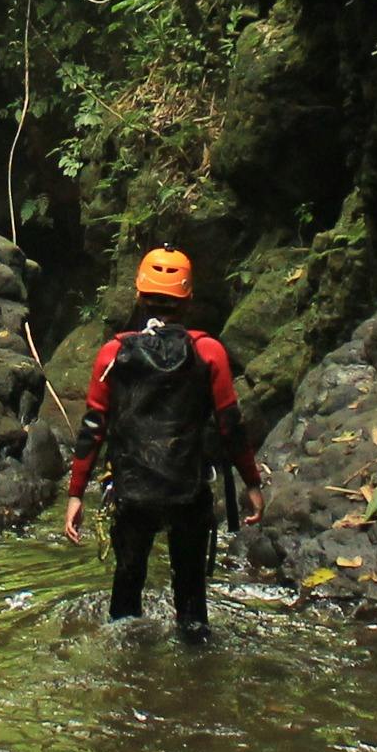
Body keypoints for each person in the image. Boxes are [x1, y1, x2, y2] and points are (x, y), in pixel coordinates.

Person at [62, 248, 262, 637]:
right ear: (188, 300)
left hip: (131, 494)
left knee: (125, 603)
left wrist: (75, 494)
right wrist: (251, 482)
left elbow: (93, 426)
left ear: (139, 295)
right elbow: (230, 425)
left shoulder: (113, 353)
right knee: (191, 606)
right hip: (188, 491)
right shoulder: (209, 352)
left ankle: (126, 678)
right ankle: (195, 680)